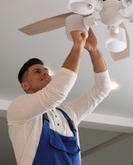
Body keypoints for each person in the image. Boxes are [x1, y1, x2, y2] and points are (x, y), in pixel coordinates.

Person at [7, 28, 111, 165]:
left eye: (46, 71)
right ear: (25, 86)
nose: (45, 73)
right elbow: (55, 94)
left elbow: (102, 89)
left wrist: (94, 50)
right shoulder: (18, 108)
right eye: (37, 72)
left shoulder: (68, 114)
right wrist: (77, 46)